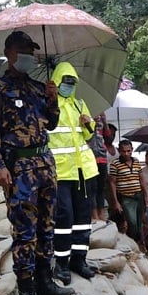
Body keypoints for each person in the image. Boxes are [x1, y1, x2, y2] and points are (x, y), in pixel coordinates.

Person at [0, 31, 73, 295]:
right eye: (23, 51)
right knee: (25, 231)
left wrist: (53, 98)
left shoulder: (36, 88)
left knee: (47, 225)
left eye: (31, 52)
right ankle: (27, 289)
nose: (28, 57)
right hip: (19, 169)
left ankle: (45, 281)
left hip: (45, 164)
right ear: (9, 52)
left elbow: (52, 124)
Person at [47, 62, 98, 283]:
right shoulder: (49, 106)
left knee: (83, 218)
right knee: (64, 217)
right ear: (57, 82)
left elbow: (88, 136)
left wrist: (89, 124)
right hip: (61, 171)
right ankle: (61, 263)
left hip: (84, 170)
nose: (68, 85)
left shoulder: (79, 105)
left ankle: (80, 259)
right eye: (65, 81)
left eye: (72, 82)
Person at [109, 139, 144, 246]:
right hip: (126, 197)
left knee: (139, 224)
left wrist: (146, 197)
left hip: (138, 196)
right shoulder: (115, 164)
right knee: (131, 222)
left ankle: (137, 244)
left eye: (128, 151)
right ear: (119, 151)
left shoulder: (137, 162)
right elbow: (112, 183)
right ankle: (131, 243)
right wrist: (116, 202)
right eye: (123, 151)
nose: (126, 153)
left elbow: (142, 179)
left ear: (132, 150)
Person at [88, 112, 109, 220]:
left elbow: (109, 139)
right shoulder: (84, 115)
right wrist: (91, 122)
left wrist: (105, 122)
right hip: (90, 157)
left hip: (102, 158)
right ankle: (94, 215)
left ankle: (101, 214)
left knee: (101, 187)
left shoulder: (101, 116)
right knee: (92, 188)